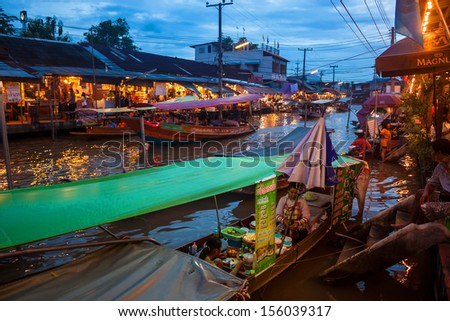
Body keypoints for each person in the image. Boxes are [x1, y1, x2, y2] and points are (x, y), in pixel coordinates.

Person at [392, 138, 450, 228]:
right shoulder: (441, 166)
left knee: (425, 208)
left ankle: (418, 228)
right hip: (444, 198)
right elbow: (432, 182)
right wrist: (426, 191)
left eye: (433, 151)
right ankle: (410, 223)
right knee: (420, 193)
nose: (431, 153)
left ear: (439, 153)